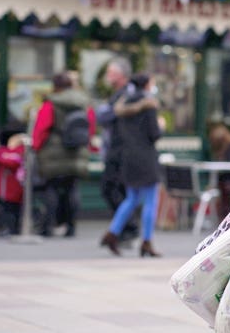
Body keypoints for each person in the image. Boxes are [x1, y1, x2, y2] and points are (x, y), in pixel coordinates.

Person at [100, 73, 163, 257]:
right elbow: (154, 134)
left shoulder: (122, 105)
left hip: (127, 157)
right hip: (146, 157)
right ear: (147, 84)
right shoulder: (149, 105)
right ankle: (147, 241)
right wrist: (161, 125)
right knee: (151, 200)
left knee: (131, 198)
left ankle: (112, 234)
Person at [31, 72, 96, 237]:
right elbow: (90, 127)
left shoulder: (51, 103)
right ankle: (71, 227)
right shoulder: (84, 102)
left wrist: (36, 147)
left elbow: (41, 128)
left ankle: (48, 227)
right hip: (77, 151)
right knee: (72, 188)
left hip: (53, 151)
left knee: (51, 188)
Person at [96, 56, 141, 241]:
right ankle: (125, 229)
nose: (108, 76)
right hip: (116, 149)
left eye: (111, 72)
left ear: (122, 75)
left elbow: (106, 115)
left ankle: (128, 228)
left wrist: (108, 111)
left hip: (123, 151)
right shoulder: (119, 93)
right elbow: (103, 115)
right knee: (116, 189)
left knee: (113, 188)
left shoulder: (128, 93)